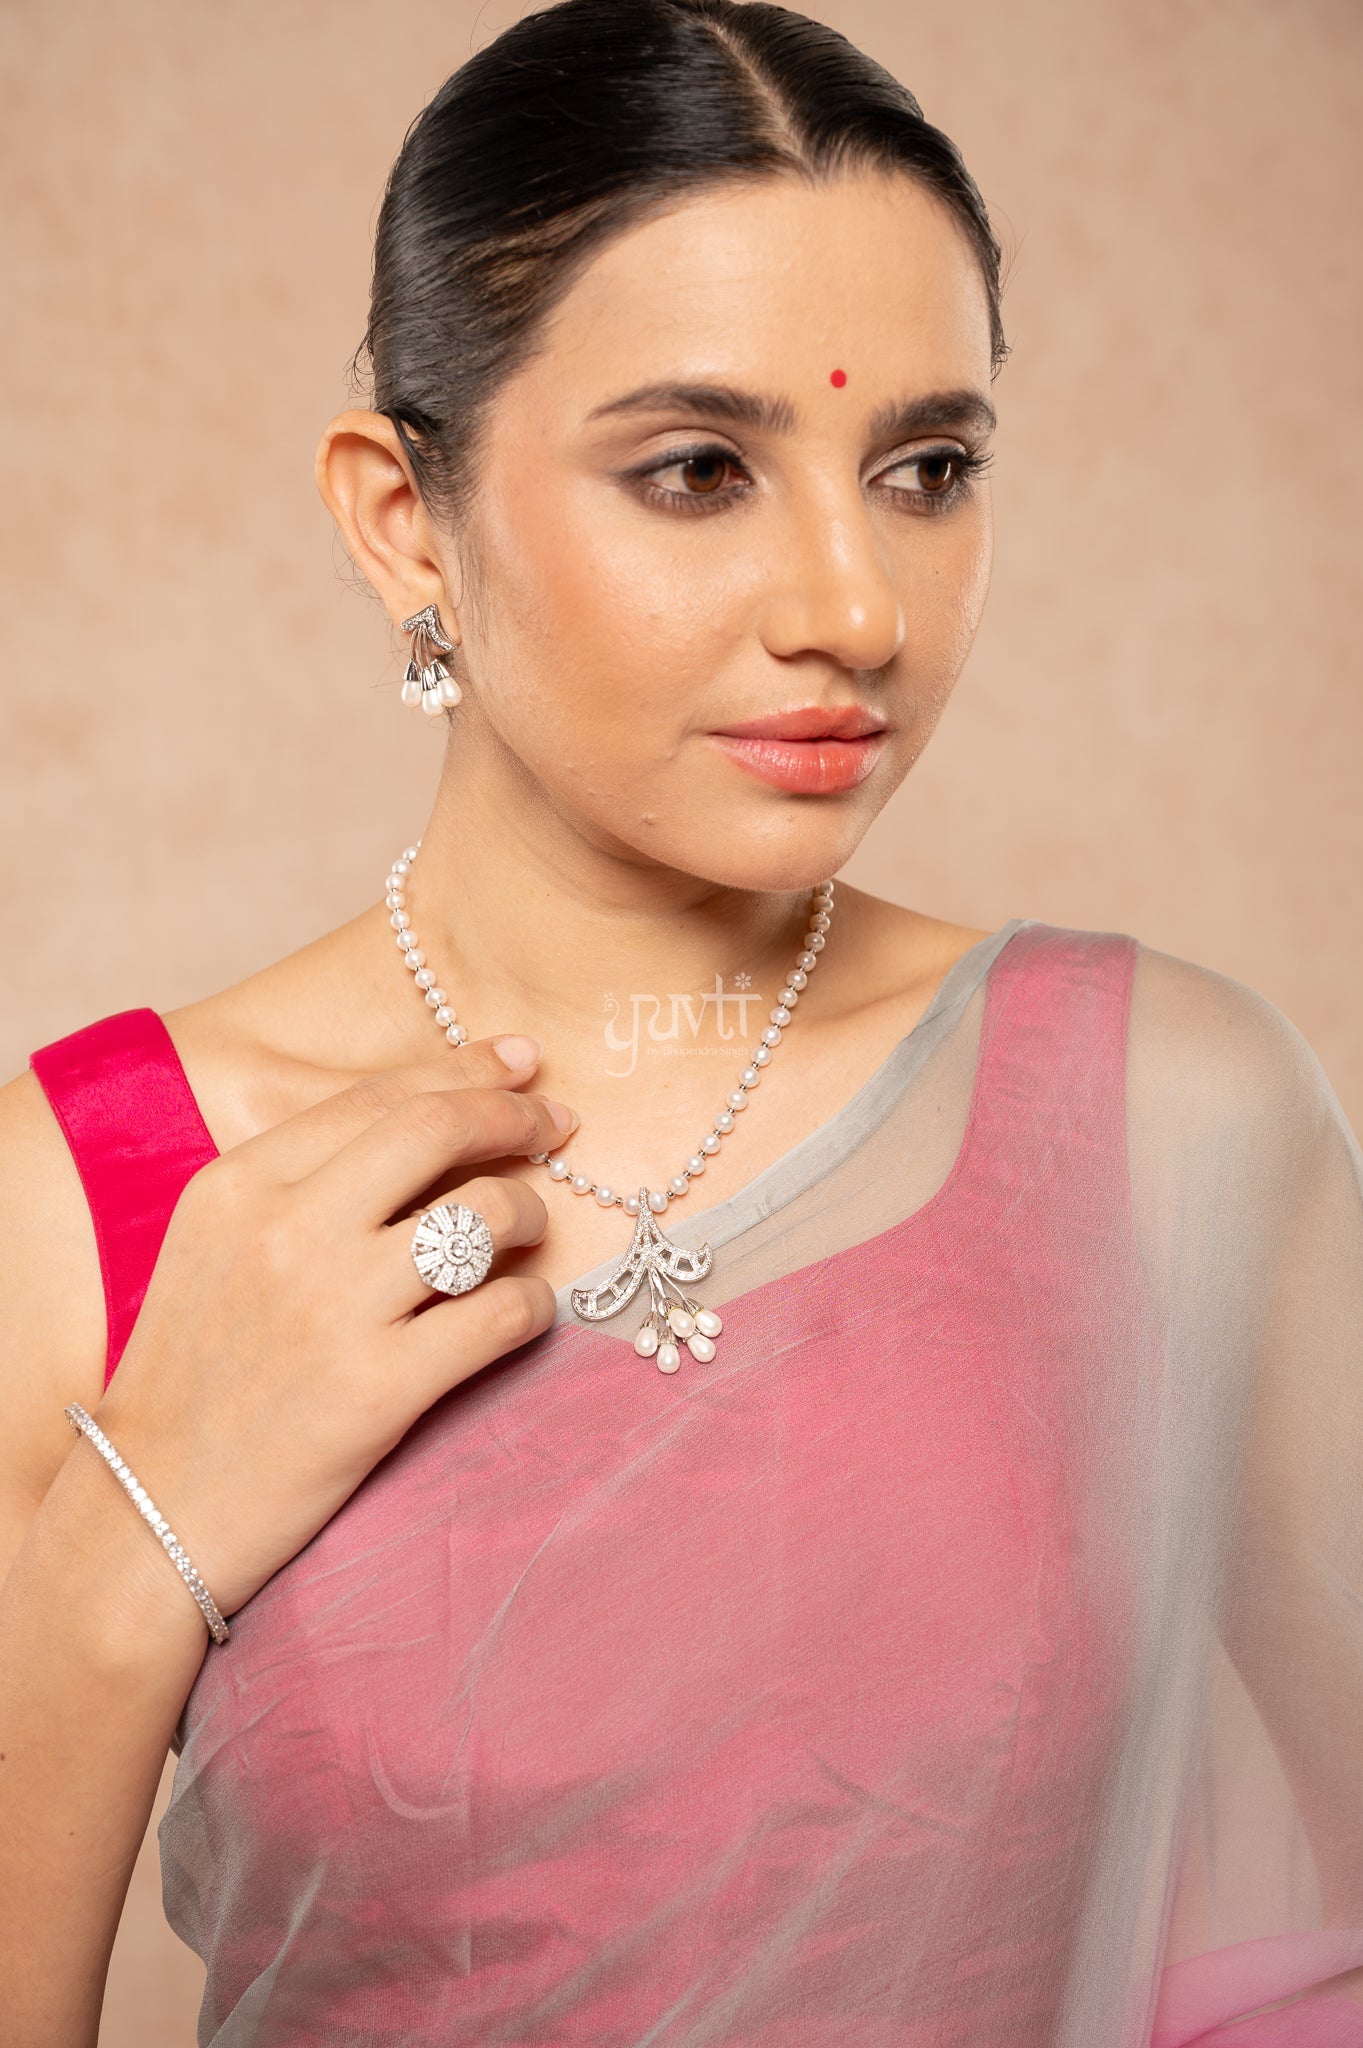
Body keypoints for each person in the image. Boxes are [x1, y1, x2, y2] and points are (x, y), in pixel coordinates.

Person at [1, 0, 1360, 2041]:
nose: (855, 607)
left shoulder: (1177, 1122)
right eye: (700, 469)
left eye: (926, 469)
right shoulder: (92, 1199)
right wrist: (133, 1548)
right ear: (401, 518)